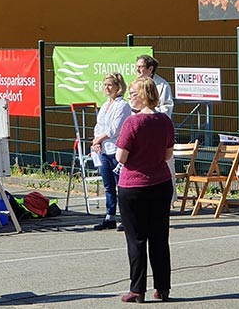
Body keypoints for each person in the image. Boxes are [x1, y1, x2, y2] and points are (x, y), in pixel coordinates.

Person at [116, 77, 175, 303]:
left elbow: (121, 156)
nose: (130, 97)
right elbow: (168, 154)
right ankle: (163, 287)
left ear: (143, 95)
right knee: (160, 237)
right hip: (160, 183)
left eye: (133, 93)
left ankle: (137, 289)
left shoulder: (132, 123)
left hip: (134, 185)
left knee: (136, 239)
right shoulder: (164, 121)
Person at [91, 73, 132, 231]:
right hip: (103, 150)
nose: (106, 88)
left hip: (116, 149)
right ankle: (110, 216)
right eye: (105, 85)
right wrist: (96, 141)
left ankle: (126, 218)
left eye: (110, 85)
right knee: (108, 186)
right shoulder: (105, 104)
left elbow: (114, 129)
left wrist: (98, 139)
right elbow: (98, 126)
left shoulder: (123, 105)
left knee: (121, 186)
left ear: (118, 86)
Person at [135, 54, 177, 208]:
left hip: (157, 131)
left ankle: (168, 201)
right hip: (139, 132)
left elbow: (166, 108)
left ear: (150, 69)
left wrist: (148, 111)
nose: (138, 70)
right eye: (137, 66)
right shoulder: (135, 84)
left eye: (141, 67)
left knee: (165, 164)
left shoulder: (162, 85)